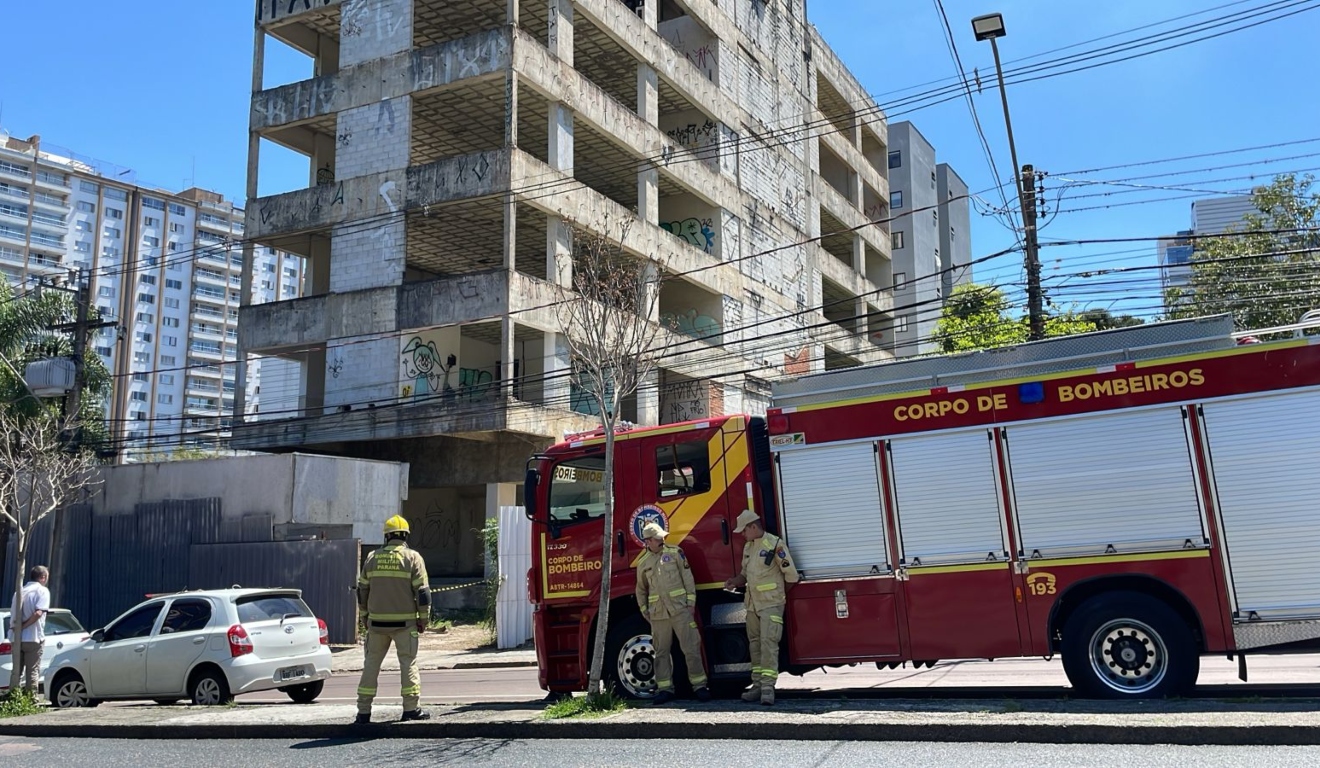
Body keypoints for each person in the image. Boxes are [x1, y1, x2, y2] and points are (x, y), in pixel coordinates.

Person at [355, 515, 431, 724]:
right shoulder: (413, 558)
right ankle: (410, 709)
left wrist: (364, 617)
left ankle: (363, 712)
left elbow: (362, 591)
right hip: (405, 625)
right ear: (405, 535)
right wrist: (423, 619)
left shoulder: (372, 558)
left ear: (387, 536)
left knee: (371, 665)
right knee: (408, 663)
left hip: (376, 624)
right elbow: (422, 593)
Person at [722, 510, 798, 706]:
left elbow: (791, 576)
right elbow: (745, 575)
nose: (742, 535)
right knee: (754, 645)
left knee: (768, 645)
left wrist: (778, 595)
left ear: (753, 527)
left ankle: (767, 689)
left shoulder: (774, 545)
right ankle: (757, 687)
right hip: (752, 605)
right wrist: (734, 581)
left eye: (744, 531)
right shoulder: (748, 547)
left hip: (770, 605)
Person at [635, 522, 710, 705]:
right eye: (658, 538)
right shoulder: (643, 563)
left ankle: (700, 686)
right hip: (659, 614)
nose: (662, 540)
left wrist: (691, 604)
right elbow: (640, 590)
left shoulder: (676, 553)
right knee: (661, 652)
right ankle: (665, 689)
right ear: (649, 541)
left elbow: (688, 579)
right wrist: (645, 610)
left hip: (680, 610)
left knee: (691, 648)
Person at [16, 566, 50, 695]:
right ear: (42, 577)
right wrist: (24, 626)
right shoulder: (42, 591)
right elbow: (38, 613)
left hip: (16, 638)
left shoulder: (19, 591)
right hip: (33, 636)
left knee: (17, 671)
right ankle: (31, 700)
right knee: (33, 671)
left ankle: (16, 696)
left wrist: (18, 629)